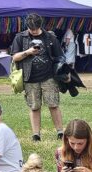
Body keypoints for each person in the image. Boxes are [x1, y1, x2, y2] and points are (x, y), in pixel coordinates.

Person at [10, 13, 65, 143]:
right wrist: (27, 52)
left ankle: (60, 132)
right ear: (27, 26)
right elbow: (14, 57)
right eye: (31, 29)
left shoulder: (50, 36)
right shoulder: (20, 37)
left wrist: (63, 72)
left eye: (35, 29)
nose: (33, 31)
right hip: (29, 77)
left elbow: (60, 56)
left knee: (53, 104)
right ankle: (36, 135)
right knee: (34, 106)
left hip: (49, 77)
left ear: (40, 26)